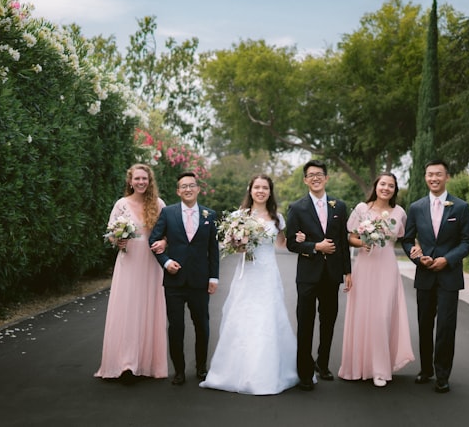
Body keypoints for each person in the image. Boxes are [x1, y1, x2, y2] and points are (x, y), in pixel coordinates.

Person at [200, 174, 300, 395]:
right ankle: (234, 371)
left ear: (270, 191)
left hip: (267, 273)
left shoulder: (277, 218)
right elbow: (231, 244)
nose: (261, 191)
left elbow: (282, 244)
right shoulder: (239, 216)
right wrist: (238, 244)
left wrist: (300, 239)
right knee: (242, 315)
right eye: (257, 187)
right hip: (247, 273)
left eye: (265, 187)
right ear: (250, 190)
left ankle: (269, 371)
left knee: (268, 318)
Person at [400, 159, 469, 394]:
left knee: (445, 326)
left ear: (447, 177)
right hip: (424, 275)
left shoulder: (460, 207)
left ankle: (442, 375)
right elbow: (407, 239)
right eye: (430, 174)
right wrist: (417, 257)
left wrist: (447, 259)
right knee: (424, 324)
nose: (434, 178)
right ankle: (425, 370)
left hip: (449, 276)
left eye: (438, 174)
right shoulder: (416, 207)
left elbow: (467, 242)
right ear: (425, 177)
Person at [338, 172, 414, 388]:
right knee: (364, 314)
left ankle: (381, 369)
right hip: (365, 265)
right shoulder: (362, 209)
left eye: (391, 185)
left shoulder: (399, 212)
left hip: (387, 266)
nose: (386, 188)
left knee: (382, 316)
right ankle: (358, 366)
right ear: (376, 185)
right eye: (383, 184)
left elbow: (402, 237)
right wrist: (362, 242)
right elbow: (350, 237)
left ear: (394, 190)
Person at [95, 163, 169, 381]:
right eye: (137, 179)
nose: (141, 182)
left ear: (150, 181)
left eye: (144, 179)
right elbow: (110, 233)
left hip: (151, 263)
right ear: (130, 181)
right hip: (129, 261)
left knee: (148, 308)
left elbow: (169, 233)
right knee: (127, 309)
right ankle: (126, 364)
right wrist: (117, 239)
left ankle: (147, 364)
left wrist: (164, 242)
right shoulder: (122, 204)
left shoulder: (158, 204)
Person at [286, 159, 351, 391]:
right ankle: (304, 370)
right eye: (311, 174)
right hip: (307, 274)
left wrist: (347, 271)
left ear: (326, 178)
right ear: (305, 180)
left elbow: (343, 241)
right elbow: (291, 243)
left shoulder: (339, 206)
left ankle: (323, 364)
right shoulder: (297, 208)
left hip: (331, 274)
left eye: (319, 174)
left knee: (328, 320)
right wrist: (315, 247)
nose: (315, 178)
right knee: (305, 321)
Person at [150, 171, 219, 386]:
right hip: (175, 281)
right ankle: (178, 370)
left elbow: (213, 249)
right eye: (183, 186)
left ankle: (201, 368)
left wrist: (214, 277)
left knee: (202, 326)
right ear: (178, 191)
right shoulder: (168, 213)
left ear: (198, 189)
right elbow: (154, 240)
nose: (188, 189)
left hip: (199, 280)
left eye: (192, 185)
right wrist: (166, 261)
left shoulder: (210, 215)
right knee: (176, 327)